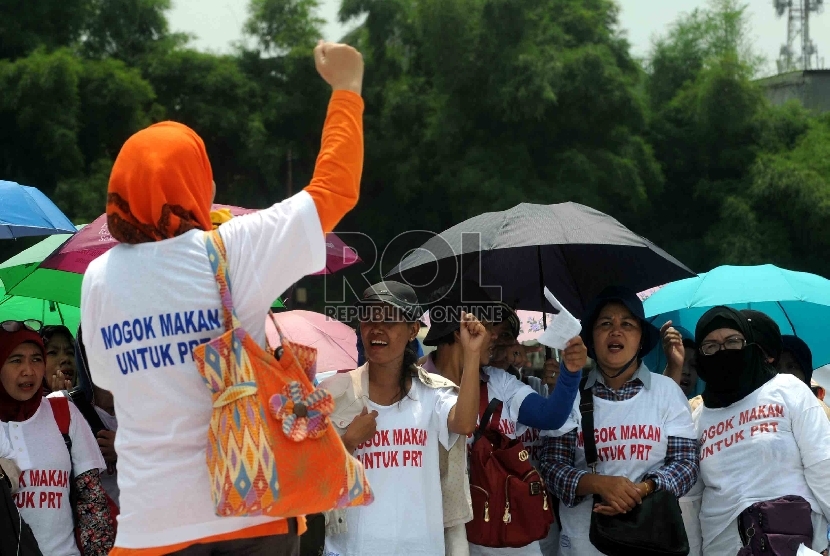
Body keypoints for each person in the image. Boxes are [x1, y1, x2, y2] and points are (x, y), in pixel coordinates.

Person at [80, 41, 365, 555]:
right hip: (254, 502)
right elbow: (335, 188)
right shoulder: (232, 247)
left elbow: (105, 381)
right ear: (198, 181)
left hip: (153, 525)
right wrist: (347, 89)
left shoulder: (98, 276)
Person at [421, 282, 586, 556]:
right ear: (461, 328)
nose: (496, 336)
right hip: (438, 534)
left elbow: (551, 416)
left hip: (505, 535)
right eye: (488, 324)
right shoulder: (416, 386)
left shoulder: (499, 382)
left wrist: (570, 373)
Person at [321, 281, 485, 555]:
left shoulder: (433, 394)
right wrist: (348, 442)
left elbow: (465, 424)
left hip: (421, 546)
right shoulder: (333, 395)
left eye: (389, 319)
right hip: (351, 548)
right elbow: (310, 473)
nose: (377, 328)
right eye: (369, 318)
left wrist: (472, 355)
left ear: (412, 331)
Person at [540, 286, 699, 556]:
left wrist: (643, 489)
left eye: (627, 323)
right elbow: (551, 466)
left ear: (640, 339)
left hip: (651, 541)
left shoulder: (668, 392)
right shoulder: (569, 396)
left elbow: (686, 463)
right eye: (605, 324)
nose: (616, 331)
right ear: (591, 339)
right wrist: (599, 484)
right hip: (583, 545)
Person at [691, 307, 830, 555]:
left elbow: (823, 465)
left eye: (732, 341)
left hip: (796, 542)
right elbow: (691, 499)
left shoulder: (787, 390)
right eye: (711, 346)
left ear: (749, 344)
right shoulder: (699, 416)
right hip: (723, 546)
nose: (723, 351)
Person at [0, 320, 113, 555]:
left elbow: (91, 501)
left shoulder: (64, 411)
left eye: (36, 359)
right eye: (16, 360)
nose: (28, 370)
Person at [41, 325, 77, 394]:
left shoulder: (91, 401)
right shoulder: (24, 403)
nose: (66, 359)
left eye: (70, 352)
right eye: (53, 352)